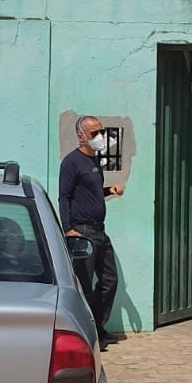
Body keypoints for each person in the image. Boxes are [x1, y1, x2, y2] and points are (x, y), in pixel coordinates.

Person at [60, 115, 124, 351]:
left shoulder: (94, 161)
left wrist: (109, 190)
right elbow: (64, 196)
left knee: (109, 280)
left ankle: (98, 328)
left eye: (101, 132)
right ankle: (89, 336)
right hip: (83, 231)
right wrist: (68, 229)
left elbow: (91, 192)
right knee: (85, 286)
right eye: (94, 133)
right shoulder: (71, 162)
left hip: (99, 230)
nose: (100, 137)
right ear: (81, 136)